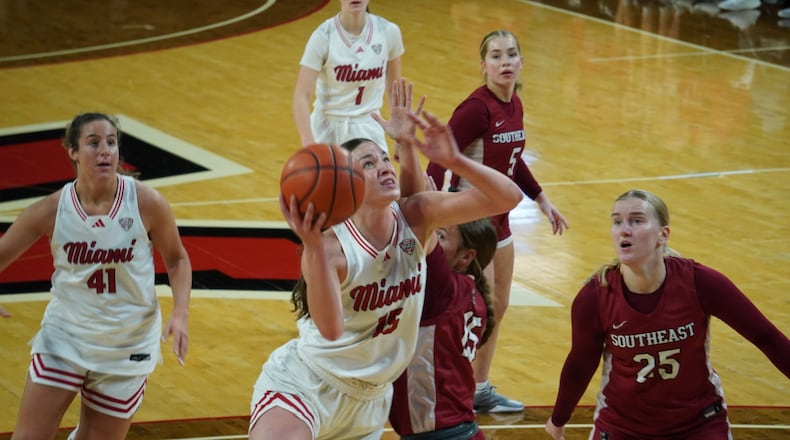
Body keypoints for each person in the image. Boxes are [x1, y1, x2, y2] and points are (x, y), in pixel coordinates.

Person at [248, 104, 524, 438]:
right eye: (368, 163)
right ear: (345, 183)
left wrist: (456, 160)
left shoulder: (416, 216)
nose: (382, 167)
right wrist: (313, 247)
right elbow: (331, 330)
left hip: (371, 403)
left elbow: (507, 198)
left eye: (383, 158)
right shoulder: (331, 248)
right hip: (308, 384)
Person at [1, 112, 191, 440]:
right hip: (66, 336)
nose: (105, 150)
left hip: (128, 343)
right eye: (93, 143)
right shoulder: (52, 210)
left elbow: (177, 259)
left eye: (111, 142)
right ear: (73, 152)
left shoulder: (146, 202)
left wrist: (181, 312)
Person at [545, 189, 790, 440]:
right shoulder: (595, 297)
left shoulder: (699, 282)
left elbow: (766, 336)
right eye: (617, 221)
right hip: (622, 427)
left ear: (663, 235)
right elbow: (581, 362)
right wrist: (559, 418)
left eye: (637, 220)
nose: (624, 230)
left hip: (699, 424)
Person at [426, 29, 569, 413]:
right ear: (483, 65)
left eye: (511, 54)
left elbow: (513, 159)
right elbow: (439, 157)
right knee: (471, 311)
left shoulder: (514, 104)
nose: (505, 62)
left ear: (521, 62)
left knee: (497, 307)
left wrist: (541, 199)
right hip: (470, 223)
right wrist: (435, 214)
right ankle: (448, 388)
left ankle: (479, 387)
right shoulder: (476, 109)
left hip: (500, 222)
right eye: (496, 55)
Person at [389, 217, 497, 440]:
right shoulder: (472, 292)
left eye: (441, 236)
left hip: (439, 433)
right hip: (457, 430)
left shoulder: (441, 289)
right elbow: (409, 244)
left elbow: (417, 228)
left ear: (466, 257)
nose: (433, 239)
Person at [292, 0, 404, 152]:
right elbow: (301, 96)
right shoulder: (323, 37)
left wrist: (401, 137)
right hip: (327, 129)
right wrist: (308, 143)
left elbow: (394, 89)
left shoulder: (388, 32)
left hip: (369, 127)